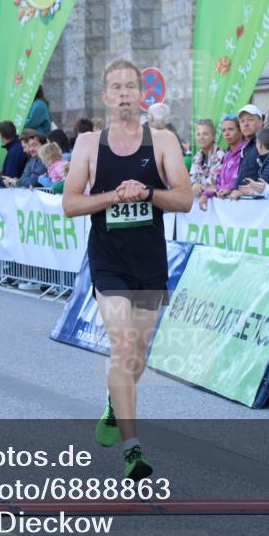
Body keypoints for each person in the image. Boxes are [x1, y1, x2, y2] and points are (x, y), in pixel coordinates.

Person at [62, 58, 192, 480]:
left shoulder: (163, 141)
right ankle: (134, 450)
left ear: (142, 95)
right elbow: (70, 205)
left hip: (151, 262)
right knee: (123, 347)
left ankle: (114, 402)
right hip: (109, 261)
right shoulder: (87, 145)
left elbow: (185, 199)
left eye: (129, 87)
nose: (122, 93)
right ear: (105, 97)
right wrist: (113, 197)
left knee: (136, 357)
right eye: (114, 87)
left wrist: (147, 191)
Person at [201, 116, 245, 209]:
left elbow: (243, 180)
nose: (227, 133)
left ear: (240, 131)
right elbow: (220, 183)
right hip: (227, 207)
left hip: (242, 206)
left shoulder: (246, 151)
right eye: (224, 130)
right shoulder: (227, 155)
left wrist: (229, 190)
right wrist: (206, 194)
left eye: (231, 129)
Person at [229, 104, 263, 199]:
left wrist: (243, 192)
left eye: (250, 120)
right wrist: (231, 190)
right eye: (242, 121)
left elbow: (266, 177)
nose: (245, 124)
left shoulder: (264, 144)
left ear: (260, 122)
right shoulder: (245, 148)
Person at [188, 119, 225, 199]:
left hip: (216, 202)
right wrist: (194, 184)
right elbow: (191, 179)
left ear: (214, 136)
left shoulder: (221, 155)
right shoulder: (197, 157)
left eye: (205, 134)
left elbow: (213, 182)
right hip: (199, 200)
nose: (201, 137)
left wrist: (198, 186)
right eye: (198, 134)